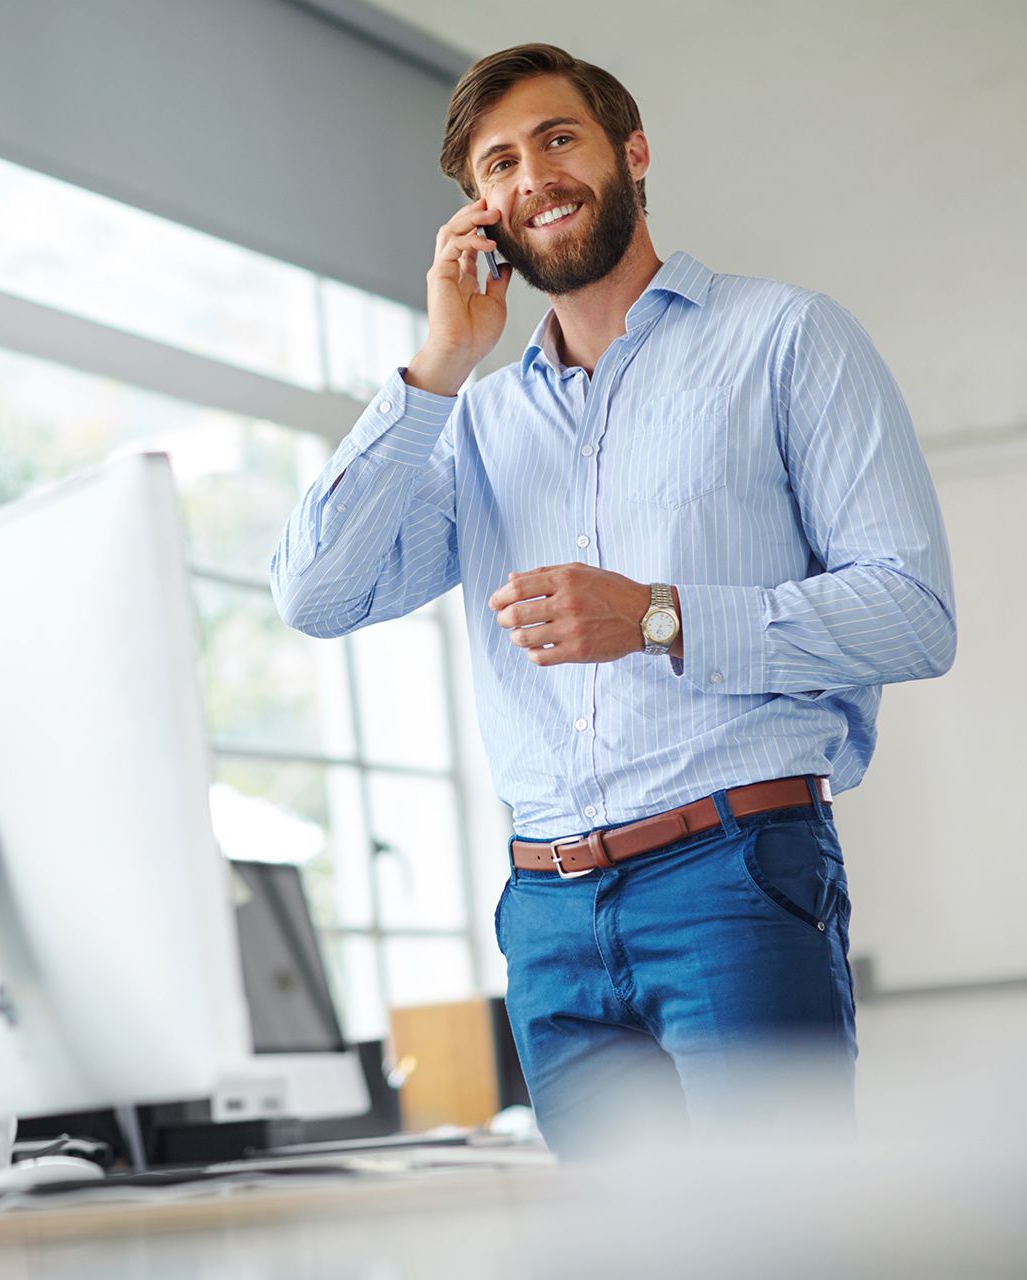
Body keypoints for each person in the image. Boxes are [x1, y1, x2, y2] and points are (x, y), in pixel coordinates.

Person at [270, 43, 955, 1155]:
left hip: (733, 878)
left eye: (558, 139)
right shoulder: (475, 424)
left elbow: (913, 612)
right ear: (479, 214)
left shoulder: (783, 339)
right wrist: (440, 363)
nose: (531, 175)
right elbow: (315, 591)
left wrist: (658, 615)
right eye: (497, 165)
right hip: (546, 915)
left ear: (631, 153)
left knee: (781, 1244)